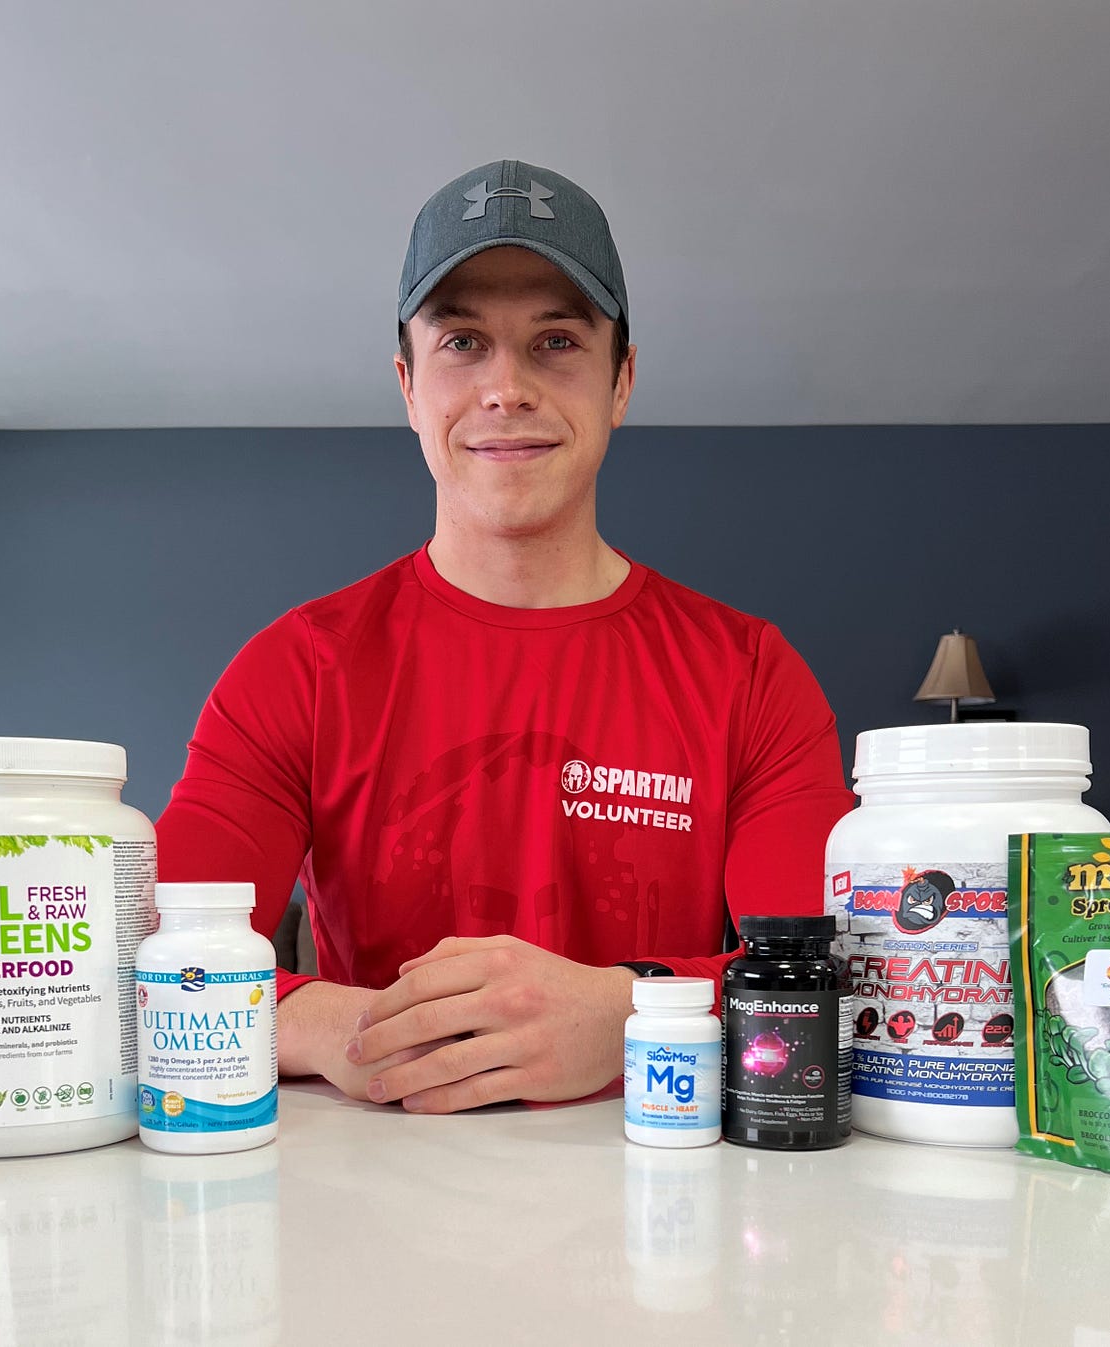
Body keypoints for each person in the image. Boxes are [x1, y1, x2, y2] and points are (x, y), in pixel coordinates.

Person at [156, 159, 853, 1114]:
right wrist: (340, 1027)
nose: (506, 387)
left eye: (557, 340)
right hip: (377, 1192)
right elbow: (161, 963)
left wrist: (627, 1010)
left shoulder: (751, 674)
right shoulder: (296, 669)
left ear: (622, 382)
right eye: (463, 341)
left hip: (669, 1183)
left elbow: (837, 974)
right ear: (408, 384)